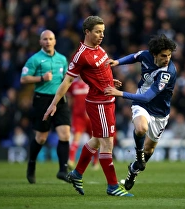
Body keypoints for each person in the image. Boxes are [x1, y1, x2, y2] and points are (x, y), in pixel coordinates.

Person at [43, 16, 133, 197]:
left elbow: (99, 71)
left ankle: (77, 174)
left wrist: (109, 81)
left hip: (108, 100)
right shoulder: (81, 55)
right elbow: (67, 81)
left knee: (97, 140)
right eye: (98, 32)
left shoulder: (98, 48)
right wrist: (53, 104)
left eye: (103, 32)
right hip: (98, 103)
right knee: (107, 143)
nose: (102, 35)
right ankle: (113, 186)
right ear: (87, 32)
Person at [104, 34, 177, 190]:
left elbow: (147, 97)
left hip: (159, 112)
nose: (167, 59)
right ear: (154, 55)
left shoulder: (167, 73)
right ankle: (138, 156)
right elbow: (134, 56)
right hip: (141, 105)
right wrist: (117, 62)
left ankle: (133, 171)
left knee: (149, 150)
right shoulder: (146, 55)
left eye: (169, 55)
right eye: (164, 56)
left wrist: (120, 93)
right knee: (141, 128)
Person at [20, 30, 70, 184]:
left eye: (50, 39)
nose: (48, 41)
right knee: (41, 138)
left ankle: (63, 170)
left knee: (65, 134)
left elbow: (66, 80)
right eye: (45, 39)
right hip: (42, 99)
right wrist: (41, 78)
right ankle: (32, 163)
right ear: (40, 42)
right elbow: (23, 79)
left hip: (60, 99)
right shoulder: (35, 59)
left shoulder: (62, 59)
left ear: (55, 41)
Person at [67, 77, 99, 170]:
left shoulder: (90, 82)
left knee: (94, 138)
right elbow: (70, 100)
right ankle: (71, 160)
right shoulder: (73, 84)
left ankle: (95, 161)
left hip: (90, 115)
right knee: (76, 136)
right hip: (78, 116)